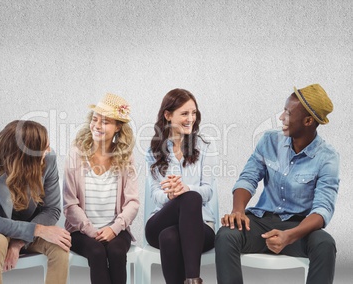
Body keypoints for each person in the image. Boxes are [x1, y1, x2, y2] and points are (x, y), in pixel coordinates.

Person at [215, 84, 340, 284]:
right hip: (261, 221)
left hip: (299, 227)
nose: (281, 117)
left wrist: (289, 236)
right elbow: (248, 177)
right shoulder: (269, 140)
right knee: (226, 235)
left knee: (325, 244)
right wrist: (238, 210)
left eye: (288, 113)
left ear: (308, 121)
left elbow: (322, 209)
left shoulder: (328, 157)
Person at [0, 120, 71, 284]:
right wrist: (38, 230)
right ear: (25, 157)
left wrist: (18, 242)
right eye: (44, 148)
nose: (48, 151)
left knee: (60, 246)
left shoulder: (48, 160)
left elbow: (52, 210)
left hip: (30, 224)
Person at [63, 93, 139, 284]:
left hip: (115, 230)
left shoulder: (125, 157)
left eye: (105, 122)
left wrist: (114, 229)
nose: (97, 125)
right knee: (96, 252)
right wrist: (90, 230)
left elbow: (133, 202)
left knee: (116, 251)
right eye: (95, 119)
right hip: (81, 232)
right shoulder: (76, 154)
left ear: (118, 127)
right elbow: (70, 204)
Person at [145, 88, 216, 284]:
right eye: (184, 113)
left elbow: (208, 191)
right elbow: (155, 193)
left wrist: (186, 190)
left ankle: (191, 279)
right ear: (168, 115)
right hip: (160, 222)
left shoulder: (205, 146)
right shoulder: (153, 151)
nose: (190, 118)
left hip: (201, 226)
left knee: (171, 236)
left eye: (193, 113)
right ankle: (194, 280)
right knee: (186, 202)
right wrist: (170, 196)